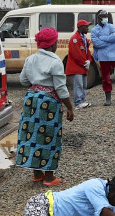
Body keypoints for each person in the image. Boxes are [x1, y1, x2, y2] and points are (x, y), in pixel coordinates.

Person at [16, 28, 74, 187]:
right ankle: (49, 178)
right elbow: (61, 89)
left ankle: (37, 174)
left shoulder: (30, 59)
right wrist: (70, 107)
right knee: (50, 136)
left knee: (31, 134)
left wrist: (36, 84)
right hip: (48, 103)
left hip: (31, 101)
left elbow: (23, 81)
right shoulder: (55, 62)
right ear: (53, 44)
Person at [91, 9, 115, 106]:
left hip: (114, 57)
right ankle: (108, 98)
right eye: (103, 16)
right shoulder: (94, 30)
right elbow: (96, 43)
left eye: (106, 15)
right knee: (106, 79)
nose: (105, 18)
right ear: (98, 17)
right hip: (103, 58)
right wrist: (109, 41)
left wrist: (102, 39)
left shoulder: (111, 27)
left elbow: (114, 38)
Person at [65, 19, 94, 110]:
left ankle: (82, 100)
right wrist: (84, 62)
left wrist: (89, 60)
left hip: (82, 67)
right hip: (77, 67)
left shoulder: (83, 39)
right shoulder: (75, 39)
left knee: (84, 85)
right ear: (80, 27)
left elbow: (87, 52)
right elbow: (76, 54)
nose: (87, 28)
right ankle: (78, 102)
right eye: (86, 26)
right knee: (78, 85)